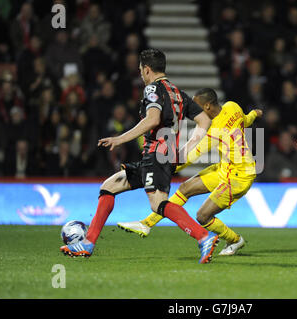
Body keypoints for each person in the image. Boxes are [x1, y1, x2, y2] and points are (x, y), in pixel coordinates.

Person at [60, 49, 220, 264]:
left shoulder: (152, 88)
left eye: (140, 71)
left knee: (158, 204)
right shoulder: (177, 92)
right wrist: (188, 148)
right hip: (161, 155)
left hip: (157, 154)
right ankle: (88, 243)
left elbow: (153, 119)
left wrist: (120, 138)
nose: (141, 75)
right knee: (110, 186)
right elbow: (204, 120)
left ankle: (203, 236)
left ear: (147, 69)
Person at [117, 88, 262, 256]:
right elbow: (245, 120)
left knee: (202, 216)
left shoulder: (213, 131)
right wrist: (254, 113)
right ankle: (146, 224)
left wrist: (164, 167)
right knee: (185, 188)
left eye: (197, 107)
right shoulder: (232, 106)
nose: (193, 112)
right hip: (225, 168)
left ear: (207, 106)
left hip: (240, 177)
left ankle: (235, 240)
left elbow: (191, 156)